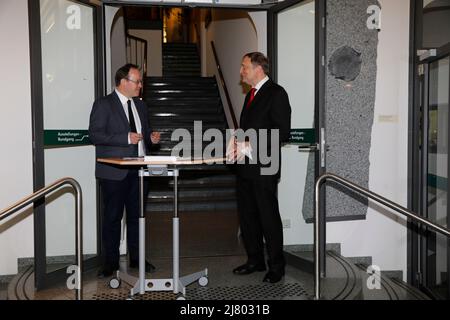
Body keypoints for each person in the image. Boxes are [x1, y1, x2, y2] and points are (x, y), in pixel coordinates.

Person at [89, 63, 161, 278]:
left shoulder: (141, 106)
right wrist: (124, 138)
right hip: (113, 171)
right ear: (123, 82)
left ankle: (137, 259)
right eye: (137, 81)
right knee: (112, 217)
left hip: (139, 170)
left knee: (138, 217)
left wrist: (151, 138)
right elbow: (95, 135)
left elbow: (145, 133)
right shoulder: (103, 104)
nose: (140, 85)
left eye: (140, 81)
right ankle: (110, 262)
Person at [228, 52, 291, 283]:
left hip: (265, 166)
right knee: (247, 217)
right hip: (245, 166)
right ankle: (255, 260)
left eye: (244, 67)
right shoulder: (251, 95)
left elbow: (281, 132)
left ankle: (277, 266)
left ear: (258, 69)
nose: (241, 71)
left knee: (268, 217)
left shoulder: (277, 93)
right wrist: (236, 143)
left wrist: (250, 142)